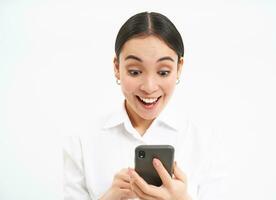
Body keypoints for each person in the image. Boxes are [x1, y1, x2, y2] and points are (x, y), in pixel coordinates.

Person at [64, 11, 226, 200]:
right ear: (117, 67)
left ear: (179, 68)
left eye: (163, 72)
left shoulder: (204, 141)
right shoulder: (82, 141)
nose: (149, 87)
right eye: (134, 72)